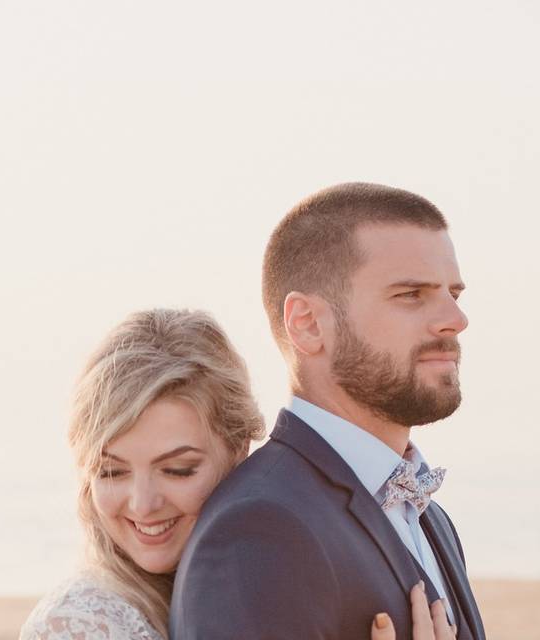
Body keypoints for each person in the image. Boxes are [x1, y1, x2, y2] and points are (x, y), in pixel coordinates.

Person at [21, 308, 459, 640]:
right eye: (111, 472)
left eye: (177, 469)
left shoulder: (271, 580)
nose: (142, 503)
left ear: (239, 447)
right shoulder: (79, 625)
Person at [170, 183, 487, 639]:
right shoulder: (260, 529)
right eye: (411, 294)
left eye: (453, 293)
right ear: (308, 324)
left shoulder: (431, 519)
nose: (455, 319)